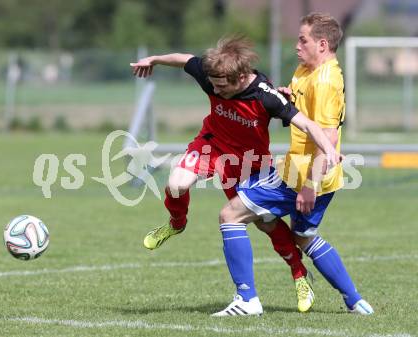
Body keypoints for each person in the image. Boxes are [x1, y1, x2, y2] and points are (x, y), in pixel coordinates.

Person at [130, 36, 339, 313]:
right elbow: (184, 59)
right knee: (176, 183)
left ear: (240, 77)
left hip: (249, 163)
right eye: (212, 84)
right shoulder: (212, 73)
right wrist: (154, 59)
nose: (215, 90)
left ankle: (300, 274)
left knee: (266, 224)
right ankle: (176, 223)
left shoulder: (266, 96)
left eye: (221, 86)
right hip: (211, 143)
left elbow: (308, 125)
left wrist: (329, 150)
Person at [212, 13, 374, 316]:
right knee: (303, 236)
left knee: (230, 215)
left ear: (322, 44)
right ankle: (355, 300)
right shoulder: (307, 70)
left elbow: (328, 141)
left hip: (305, 175)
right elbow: (302, 111)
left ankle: (247, 300)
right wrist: (288, 95)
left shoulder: (326, 82)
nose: (296, 45)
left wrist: (309, 186)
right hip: (312, 174)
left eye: (303, 40)